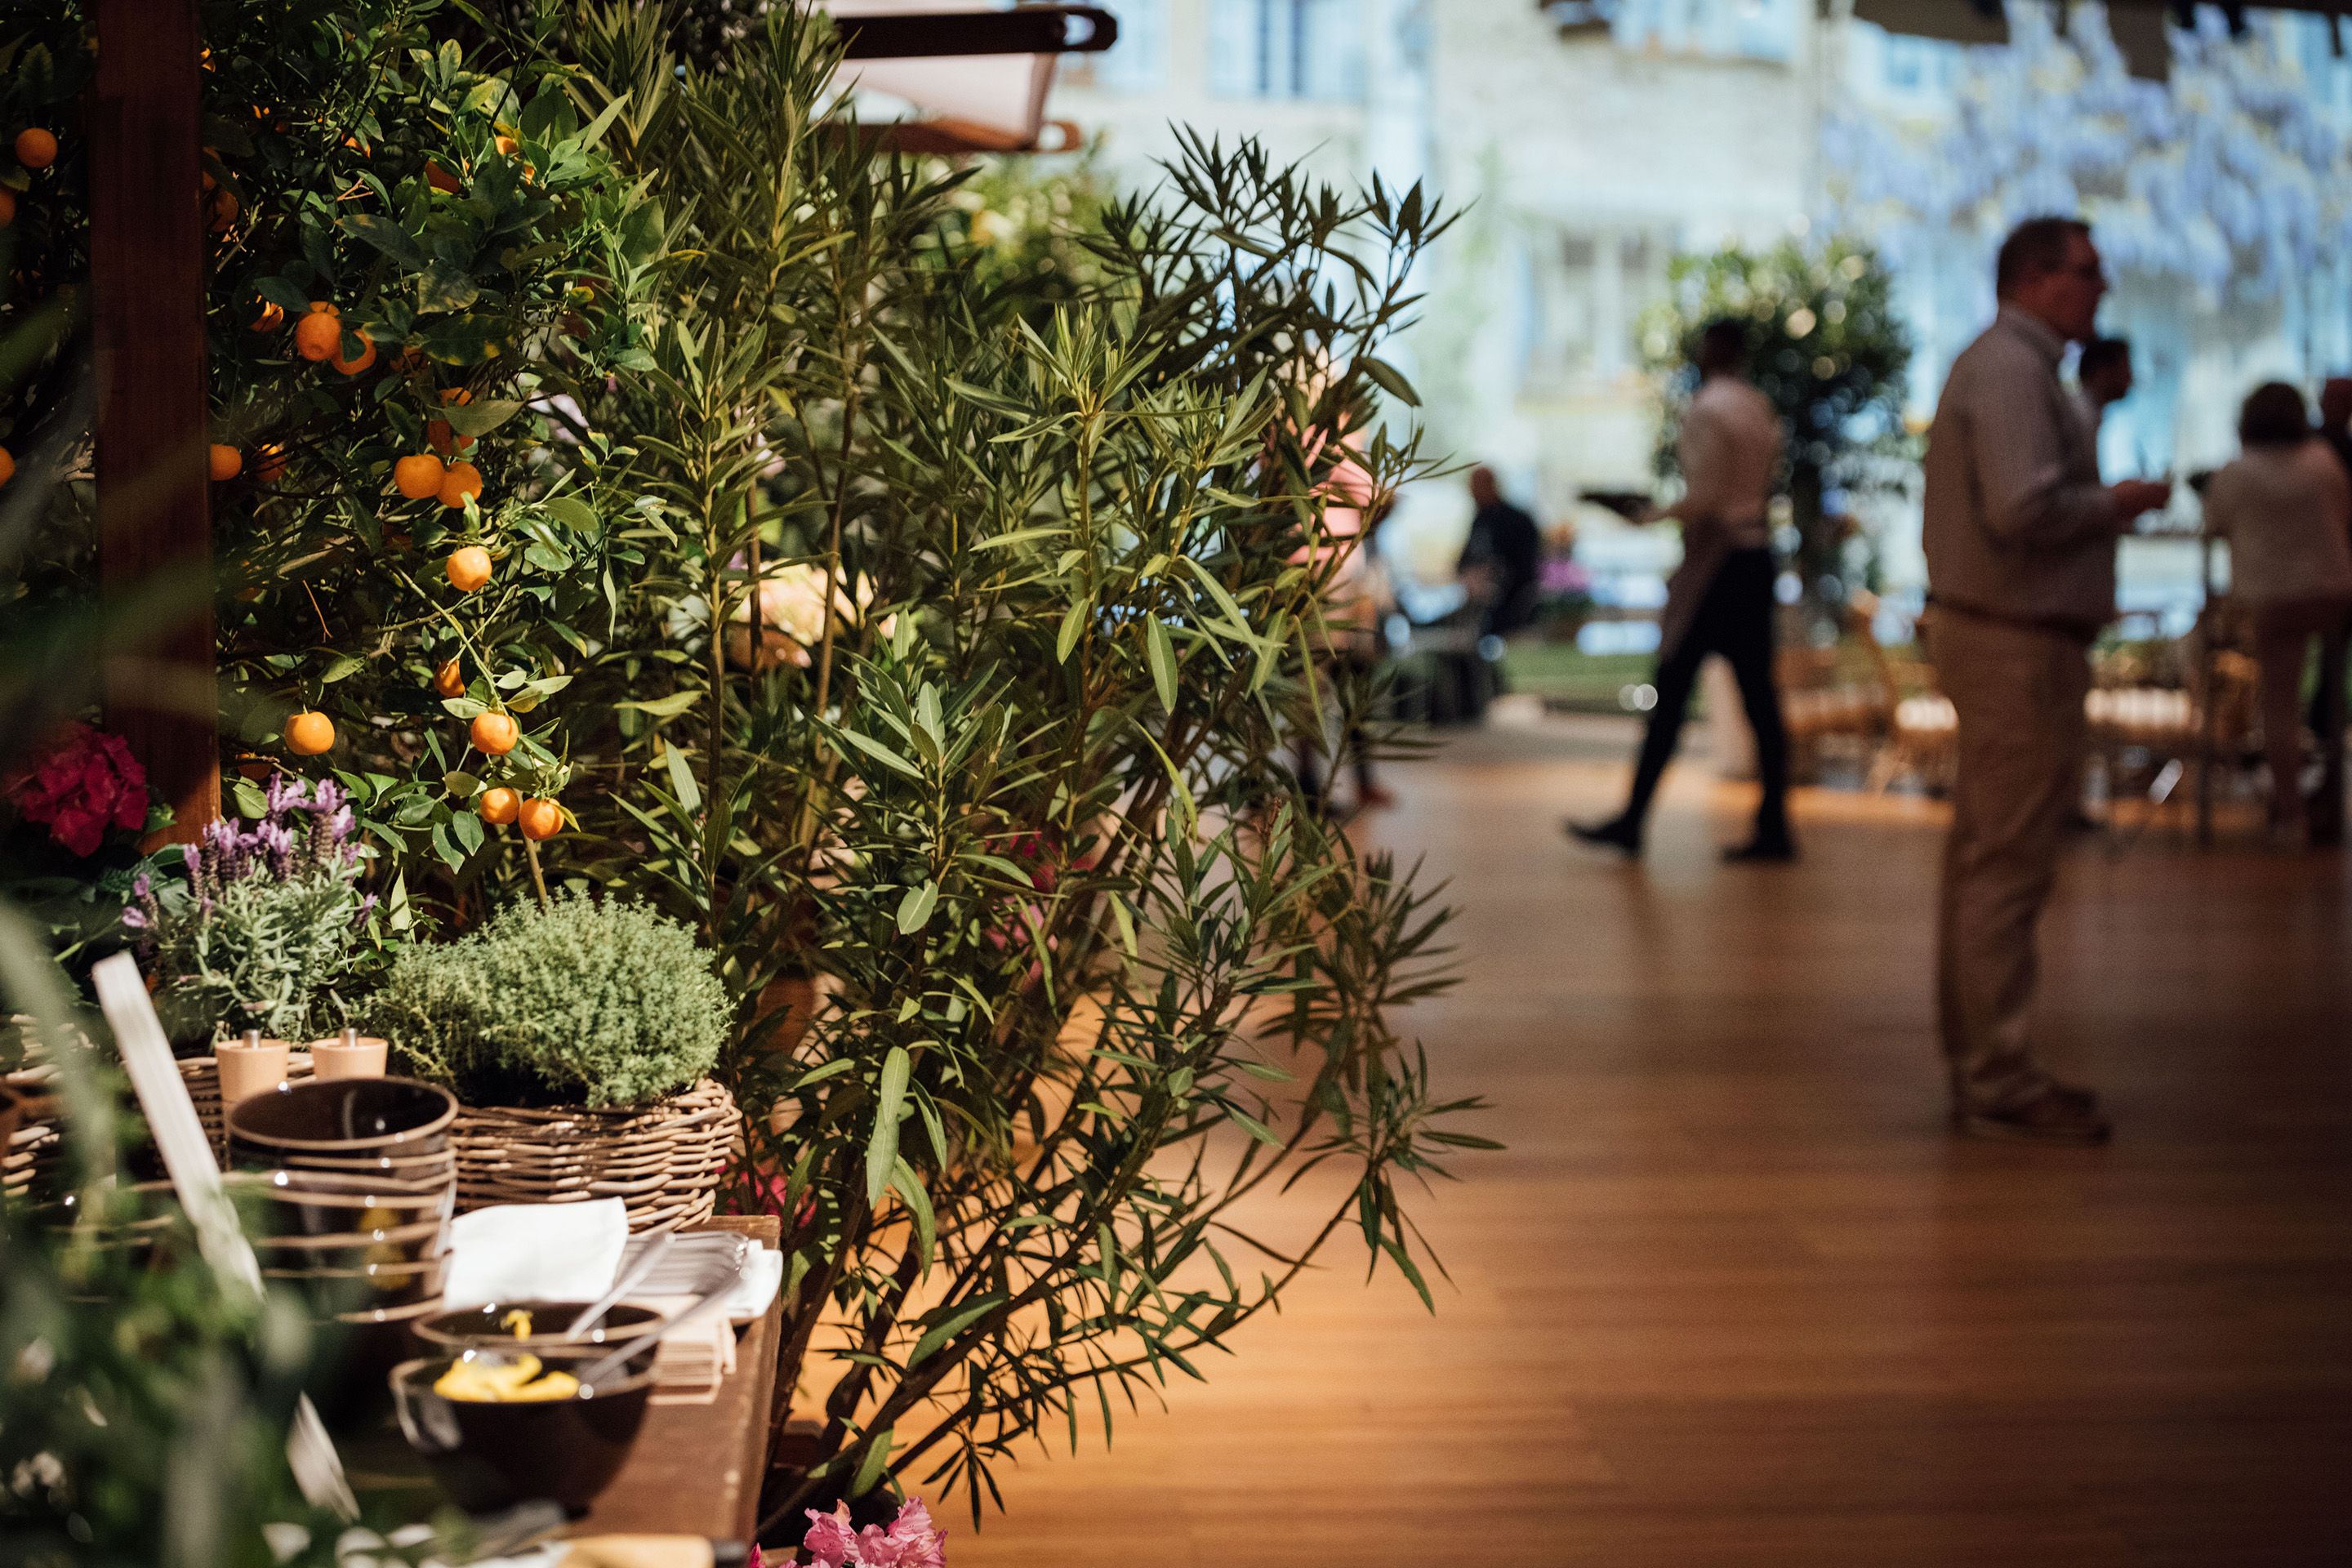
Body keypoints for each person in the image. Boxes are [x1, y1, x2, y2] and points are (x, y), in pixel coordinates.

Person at [1922, 216, 2172, 1146]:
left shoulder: (2014, 366)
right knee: (2007, 865)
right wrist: (2118, 502)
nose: (2102, 288)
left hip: (2010, 633)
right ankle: (1998, 1076)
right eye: (2089, 271)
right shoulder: (2011, 368)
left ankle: (1986, 1065)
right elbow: (2022, 506)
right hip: (2014, 640)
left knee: (1990, 859)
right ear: (2036, 277)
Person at [1570, 318, 1794, 862]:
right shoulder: (1757, 407)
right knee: (1759, 700)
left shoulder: (1708, 409)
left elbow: (1707, 498)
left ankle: (1635, 819)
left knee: (1672, 691)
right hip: (1754, 558)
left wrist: (1647, 514)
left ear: (1712, 351)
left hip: (1720, 566)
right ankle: (1773, 823)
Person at [2202, 382, 2352, 845]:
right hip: (2333, 592)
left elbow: (2213, 524)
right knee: (2330, 699)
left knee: (2280, 705)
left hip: (2274, 598)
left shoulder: (2237, 472)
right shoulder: (2323, 462)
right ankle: (2330, 797)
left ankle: (2291, 812)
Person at [1457, 467, 1544, 641]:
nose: (1473, 493)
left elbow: (1526, 568)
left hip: (1511, 605)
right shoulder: (1480, 520)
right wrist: (1472, 578)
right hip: (1481, 606)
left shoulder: (1518, 521)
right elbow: (1463, 562)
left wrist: (1492, 578)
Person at [2073, 336, 2133, 444]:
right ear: (2102, 373)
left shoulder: (2091, 413)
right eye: (2125, 370)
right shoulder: (2080, 417)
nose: (2130, 379)